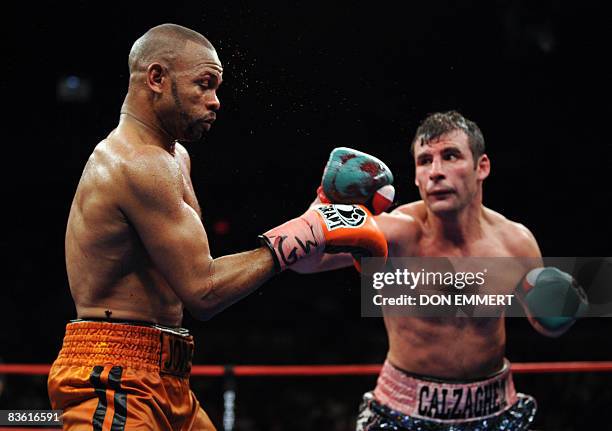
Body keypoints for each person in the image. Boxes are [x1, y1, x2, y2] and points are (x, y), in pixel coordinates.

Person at [47, 23, 388, 430]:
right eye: (204, 85)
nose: (215, 102)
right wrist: (310, 228)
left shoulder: (175, 159)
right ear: (157, 78)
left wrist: (316, 220)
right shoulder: (136, 164)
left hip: (166, 376)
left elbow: (209, 269)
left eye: (217, 88)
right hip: (113, 379)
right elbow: (203, 290)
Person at [295, 111, 587, 430]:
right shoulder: (393, 233)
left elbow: (546, 324)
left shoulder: (515, 242)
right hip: (401, 412)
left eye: (450, 156)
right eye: (424, 161)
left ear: (482, 167)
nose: (436, 172)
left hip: (494, 410)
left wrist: (565, 307)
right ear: (416, 177)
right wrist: (324, 201)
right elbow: (304, 262)